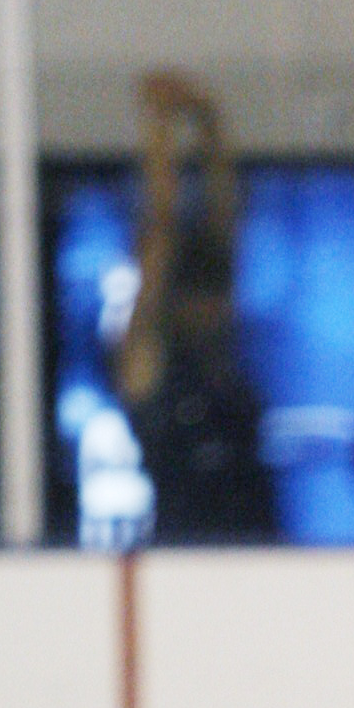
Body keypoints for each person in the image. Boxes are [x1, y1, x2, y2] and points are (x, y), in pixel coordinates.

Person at [115, 72, 275, 543]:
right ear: (179, 306)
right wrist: (159, 128)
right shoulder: (150, 361)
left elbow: (226, 220)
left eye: (219, 299)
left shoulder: (223, 358)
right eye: (204, 301)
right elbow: (160, 231)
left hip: (258, 544)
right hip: (186, 552)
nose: (216, 310)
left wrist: (211, 123)